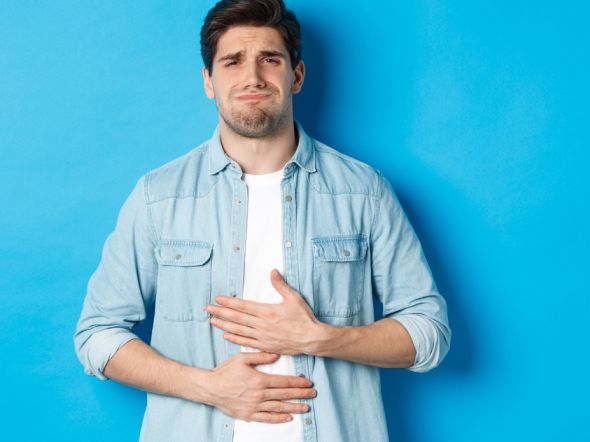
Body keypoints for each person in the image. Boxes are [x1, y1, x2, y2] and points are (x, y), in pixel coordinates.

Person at [73, 1, 450, 440]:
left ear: (297, 75)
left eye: (269, 59)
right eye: (232, 61)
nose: (252, 77)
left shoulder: (364, 191)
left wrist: (317, 337)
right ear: (209, 81)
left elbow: (429, 333)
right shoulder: (160, 196)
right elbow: (96, 336)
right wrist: (208, 387)